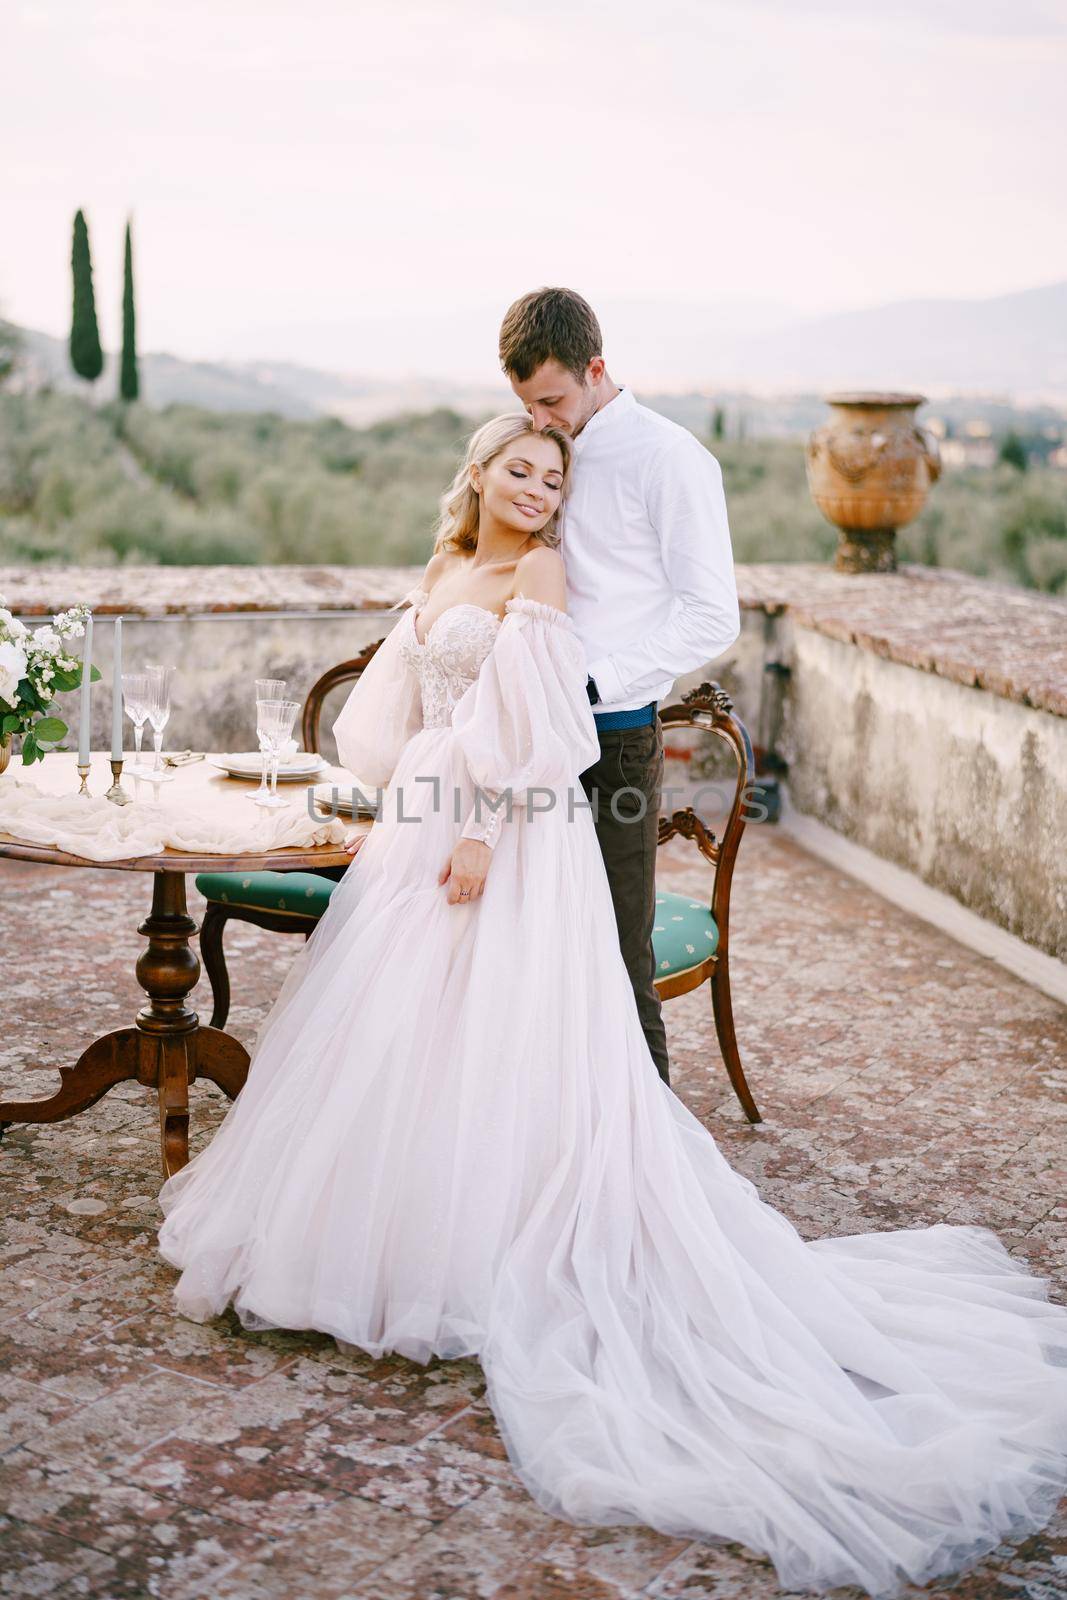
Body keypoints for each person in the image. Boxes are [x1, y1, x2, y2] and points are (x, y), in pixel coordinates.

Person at [157, 411, 1067, 1600]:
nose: (537, 491)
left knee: (500, 1038)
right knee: (406, 1040)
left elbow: (539, 726)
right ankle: (401, 1235)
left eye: (552, 476)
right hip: (418, 821)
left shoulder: (542, 571)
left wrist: (479, 829)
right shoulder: (443, 565)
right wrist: (397, 798)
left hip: (504, 836)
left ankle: (487, 1253)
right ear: (476, 473)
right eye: (518, 470)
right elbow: (403, 716)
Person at [499, 286, 741, 1086]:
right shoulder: (544, 452)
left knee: (615, 957)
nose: (542, 420)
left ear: (596, 368)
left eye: (553, 400)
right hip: (527, 740)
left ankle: (648, 1169)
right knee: (527, 950)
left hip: (611, 740)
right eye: (527, 405)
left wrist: (598, 680)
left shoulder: (671, 459)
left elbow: (712, 614)